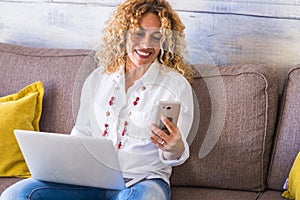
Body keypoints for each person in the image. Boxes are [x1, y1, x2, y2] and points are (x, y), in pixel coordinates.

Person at [1, 0, 194, 199]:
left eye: (156, 36)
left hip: (143, 182)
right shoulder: (98, 78)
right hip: (90, 181)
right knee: (17, 194)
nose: (146, 44)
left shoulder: (175, 85)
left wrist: (175, 147)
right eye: (139, 33)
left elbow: (174, 155)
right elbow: (82, 133)